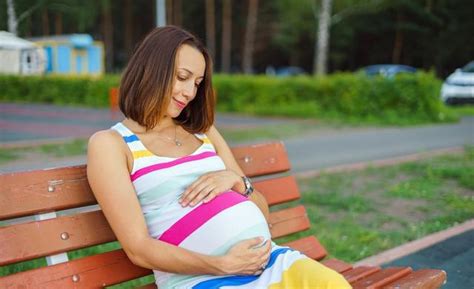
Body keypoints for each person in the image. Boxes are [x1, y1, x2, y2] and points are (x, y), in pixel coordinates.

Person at [87, 26, 351, 289]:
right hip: (203, 280)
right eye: (182, 77)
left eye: (197, 83)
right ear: (151, 69)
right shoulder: (112, 145)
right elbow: (139, 249)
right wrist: (223, 264)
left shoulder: (203, 131)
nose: (190, 92)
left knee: (333, 284)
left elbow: (262, 212)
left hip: (270, 264)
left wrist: (237, 182)